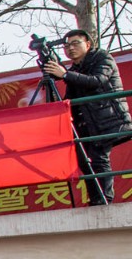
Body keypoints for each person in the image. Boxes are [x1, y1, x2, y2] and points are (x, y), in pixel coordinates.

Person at [44, 28, 132, 205]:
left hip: (108, 119)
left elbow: (97, 80)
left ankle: (103, 199)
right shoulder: (76, 68)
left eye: (75, 43)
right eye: (67, 46)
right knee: (86, 160)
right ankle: (97, 198)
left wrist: (66, 74)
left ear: (88, 44)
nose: (70, 48)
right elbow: (71, 99)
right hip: (87, 124)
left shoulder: (102, 57)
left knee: (98, 156)